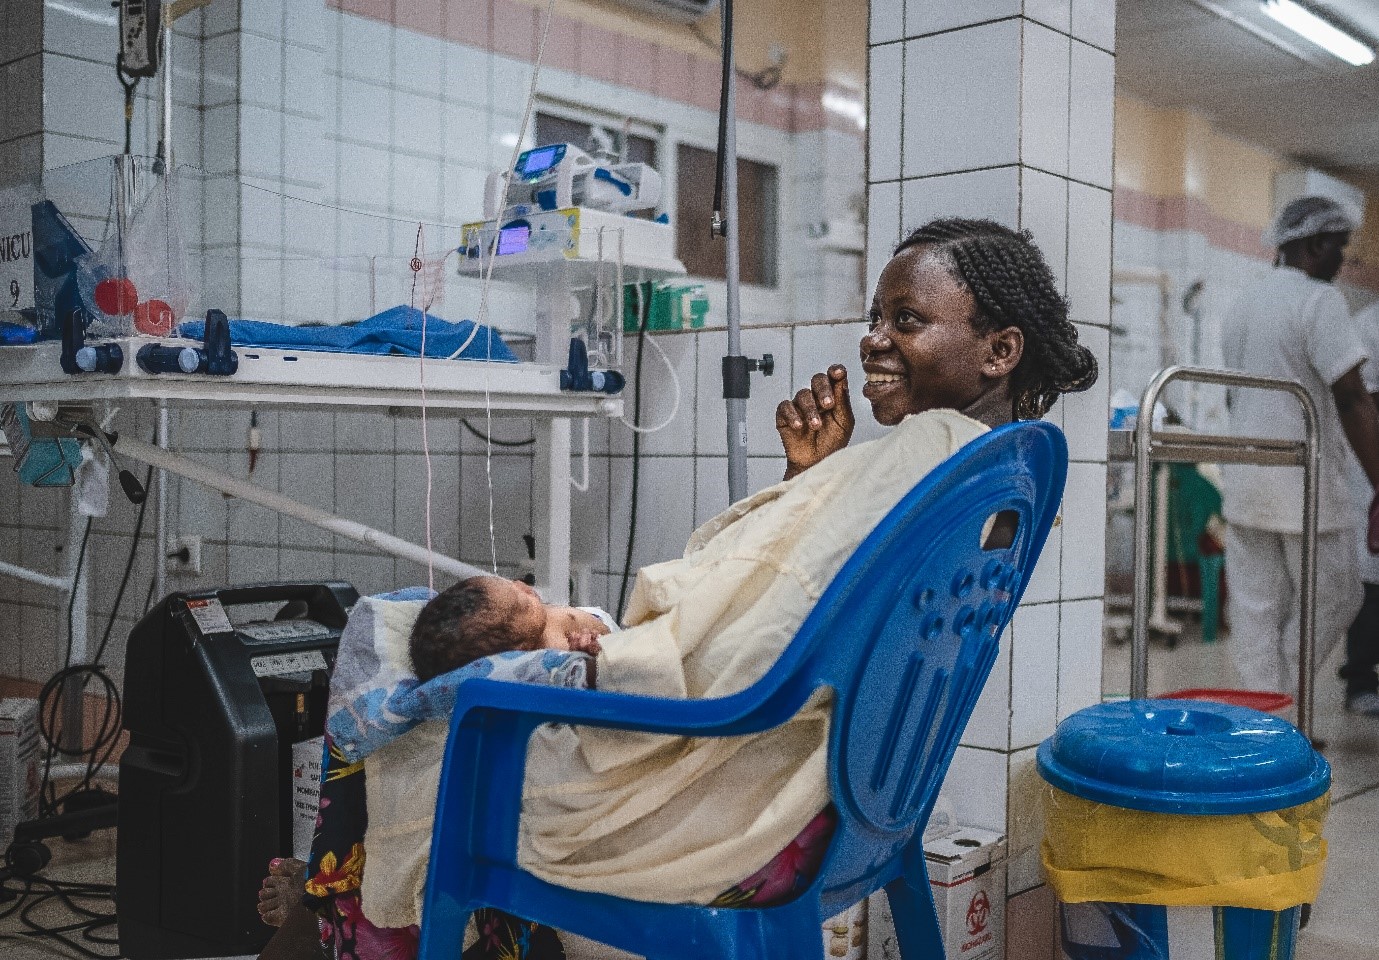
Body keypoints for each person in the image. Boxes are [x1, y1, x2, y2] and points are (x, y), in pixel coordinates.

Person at [1220, 195, 1379, 699]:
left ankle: (1265, 714)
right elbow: (1352, 395)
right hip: (1307, 488)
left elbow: (1233, 394)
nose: (1342, 260)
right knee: (1337, 595)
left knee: (1255, 607)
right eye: (1339, 247)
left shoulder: (1244, 302)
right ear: (1314, 244)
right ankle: (1282, 705)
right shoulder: (1319, 301)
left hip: (1246, 481)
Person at [408, 576, 610, 681]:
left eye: (508, 584)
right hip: (613, 641)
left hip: (597, 616)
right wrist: (586, 656)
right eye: (523, 605)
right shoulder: (551, 656)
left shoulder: (529, 620)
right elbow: (595, 680)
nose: (522, 585)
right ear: (518, 650)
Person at [1343, 299, 1379, 714]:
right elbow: (1361, 400)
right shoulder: (1368, 325)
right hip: (1370, 469)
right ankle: (1360, 680)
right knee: (1371, 585)